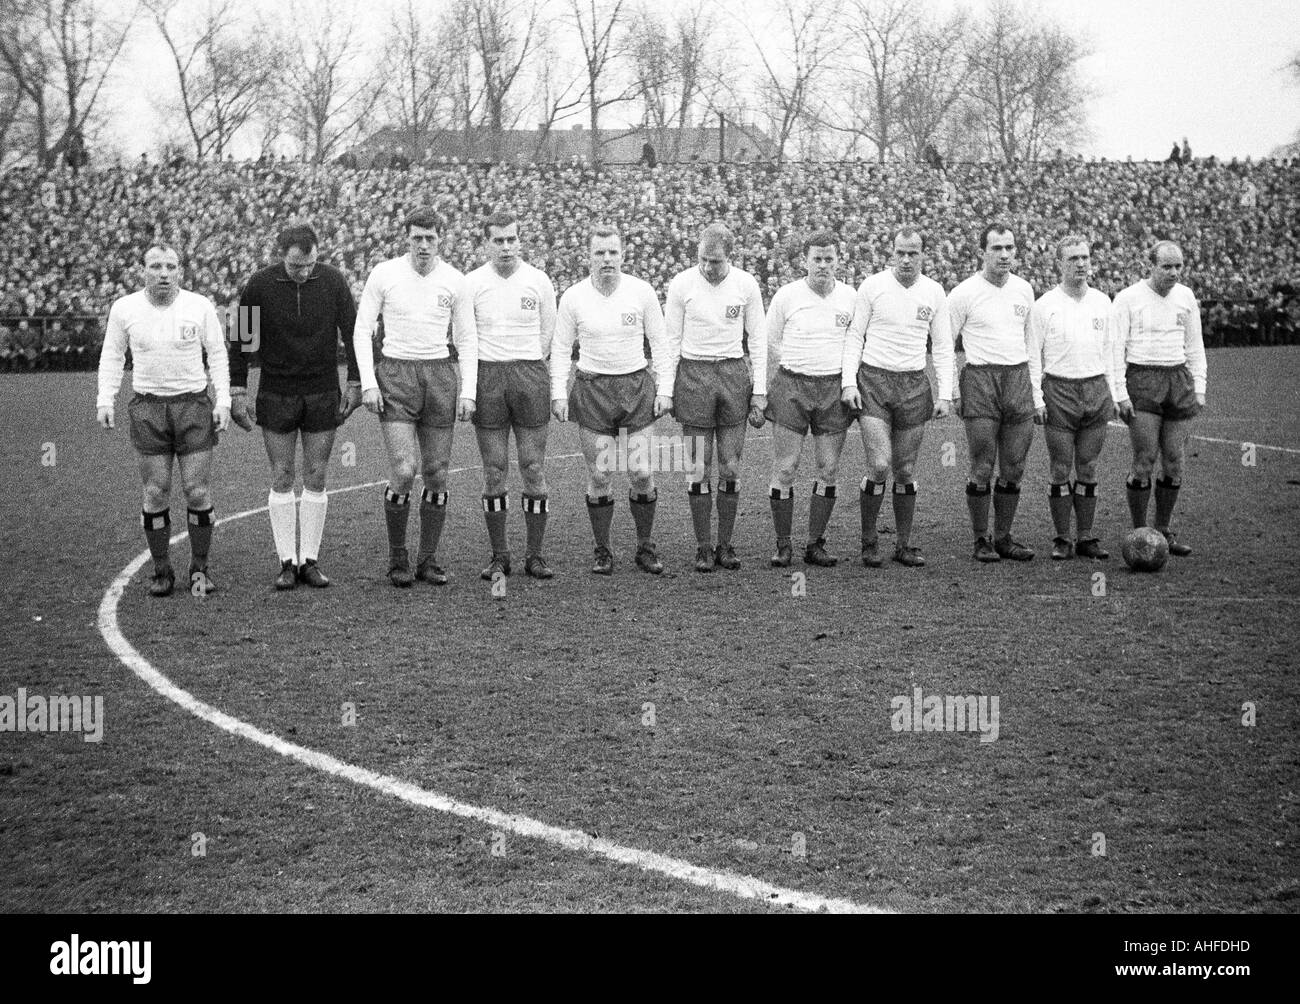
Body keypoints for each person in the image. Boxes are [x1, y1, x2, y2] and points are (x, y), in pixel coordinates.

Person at [230, 223, 361, 590]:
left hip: (322, 390)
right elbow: (241, 342)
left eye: (309, 266)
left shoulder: (333, 281)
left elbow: (352, 333)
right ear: (281, 257)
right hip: (277, 391)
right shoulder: (259, 285)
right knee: (283, 475)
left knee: (316, 475)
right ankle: (286, 561)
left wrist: (354, 381)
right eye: (295, 267)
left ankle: (310, 561)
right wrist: (237, 392)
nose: (303, 273)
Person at [96, 245, 231, 596]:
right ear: (143, 271)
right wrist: (104, 399)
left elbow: (217, 353)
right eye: (156, 266)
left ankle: (200, 569)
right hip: (148, 407)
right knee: (155, 492)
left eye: (171, 266)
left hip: (193, 405)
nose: (164, 273)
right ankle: (161, 569)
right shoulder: (124, 308)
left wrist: (225, 400)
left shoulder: (199, 306)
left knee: (197, 491)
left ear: (180, 271)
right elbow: (112, 355)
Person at [354, 208, 478, 586]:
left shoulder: (455, 281)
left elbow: (467, 338)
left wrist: (469, 390)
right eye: (417, 238)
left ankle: (427, 559)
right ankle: (397, 557)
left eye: (430, 238)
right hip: (397, 373)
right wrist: (368, 383)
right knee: (405, 469)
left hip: (439, 374)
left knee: (437, 473)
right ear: (406, 239)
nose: (423, 245)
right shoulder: (385, 273)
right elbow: (361, 332)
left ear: (441, 239)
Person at [551, 224, 670, 575]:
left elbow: (660, 343)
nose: (607, 259)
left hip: (634, 387)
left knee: (642, 471)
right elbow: (560, 348)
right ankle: (602, 550)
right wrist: (559, 392)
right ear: (588, 257)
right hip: (592, 389)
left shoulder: (642, 292)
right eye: (600, 253)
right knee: (600, 474)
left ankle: (645, 547)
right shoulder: (573, 297)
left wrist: (664, 390)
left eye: (613, 252)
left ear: (622, 255)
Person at [840, 227, 954, 569]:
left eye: (913, 253)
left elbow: (944, 345)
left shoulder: (934, 292)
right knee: (879, 465)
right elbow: (855, 336)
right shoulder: (873, 287)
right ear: (892, 252)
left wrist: (945, 393)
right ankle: (869, 540)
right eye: (900, 252)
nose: (906, 259)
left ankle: (903, 544)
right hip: (874, 381)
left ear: (923, 254)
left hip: (914, 385)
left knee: (904, 470)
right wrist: (849, 382)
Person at [663, 222, 767, 572]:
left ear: (730, 258)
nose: (708, 267)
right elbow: (669, 341)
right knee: (698, 466)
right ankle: (703, 547)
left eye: (716, 261)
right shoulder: (681, 284)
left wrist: (760, 392)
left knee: (730, 465)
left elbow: (758, 341)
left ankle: (726, 544)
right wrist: (666, 389)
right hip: (694, 375)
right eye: (703, 260)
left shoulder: (746, 284)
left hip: (733, 374)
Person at [463, 211, 558, 581]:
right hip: (488, 376)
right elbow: (466, 338)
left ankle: (535, 555)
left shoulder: (539, 281)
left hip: (529, 373)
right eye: (498, 240)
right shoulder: (472, 284)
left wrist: (528, 364)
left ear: (520, 241)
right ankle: (500, 555)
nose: (506, 247)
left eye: (511, 240)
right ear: (486, 243)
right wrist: (470, 389)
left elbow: (547, 335)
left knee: (533, 466)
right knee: (494, 469)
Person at [764, 231, 857, 568]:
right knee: (786, 468)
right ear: (804, 261)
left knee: (828, 468)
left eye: (828, 258)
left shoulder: (850, 297)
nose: (822, 265)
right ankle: (783, 543)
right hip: (792, 386)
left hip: (832, 389)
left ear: (837, 260)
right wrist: (795, 363)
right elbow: (770, 342)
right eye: (816, 258)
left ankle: (815, 543)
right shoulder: (787, 296)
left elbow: (854, 344)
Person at [1027, 235, 1121, 560]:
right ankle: (1061, 538)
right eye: (1073, 259)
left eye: (1084, 257)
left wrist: (1115, 392)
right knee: (1060, 466)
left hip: (1095, 389)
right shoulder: (1044, 306)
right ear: (1060, 264)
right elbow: (1032, 356)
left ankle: (1086, 536)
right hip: (1059, 391)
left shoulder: (1102, 302)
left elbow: (1111, 352)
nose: (1080, 264)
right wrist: (1037, 398)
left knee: (1089, 466)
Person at [948, 222, 1037, 562]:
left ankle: (1004, 536)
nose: (1004, 255)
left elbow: (1032, 345)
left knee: (1014, 466)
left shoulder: (1024, 290)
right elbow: (945, 343)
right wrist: (952, 389)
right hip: (981, 380)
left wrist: (1036, 392)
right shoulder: (963, 293)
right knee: (983, 465)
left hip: (1017, 379)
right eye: (997, 248)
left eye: (1009, 248)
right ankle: (980, 538)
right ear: (981, 252)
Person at [1112, 240, 1206, 555]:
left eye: (1178, 266)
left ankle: (1164, 529)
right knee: (1144, 459)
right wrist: (1119, 391)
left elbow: (1195, 345)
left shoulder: (1186, 297)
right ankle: (1140, 533)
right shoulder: (1127, 298)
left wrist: (1200, 386)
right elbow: (1115, 348)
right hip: (1142, 379)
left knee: (1175, 460)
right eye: (1166, 266)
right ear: (1150, 265)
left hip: (1178, 379)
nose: (1173, 272)